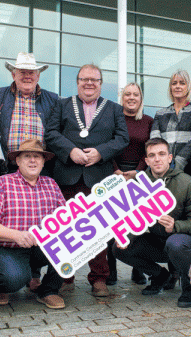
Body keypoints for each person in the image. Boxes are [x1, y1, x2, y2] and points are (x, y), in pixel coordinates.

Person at [44, 64, 129, 297]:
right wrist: (70, 151)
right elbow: (50, 133)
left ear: (101, 83)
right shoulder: (61, 105)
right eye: (84, 79)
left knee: (98, 230)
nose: (89, 83)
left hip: (99, 178)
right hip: (67, 176)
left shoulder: (114, 108)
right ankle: (64, 277)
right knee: (65, 229)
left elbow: (122, 138)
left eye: (94, 79)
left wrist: (101, 152)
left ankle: (99, 278)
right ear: (77, 81)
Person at [112, 138, 191, 308]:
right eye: (152, 155)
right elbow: (133, 218)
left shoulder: (188, 183)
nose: (157, 159)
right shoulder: (137, 184)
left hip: (188, 243)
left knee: (176, 243)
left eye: (162, 154)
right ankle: (160, 276)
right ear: (146, 161)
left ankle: (190, 287)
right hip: (159, 242)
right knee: (118, 247)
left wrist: (176, 225)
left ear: (170, 158)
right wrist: (127, 235)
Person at [0, 139, 66, 309]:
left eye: (37, 157)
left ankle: (49, 291)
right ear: (17, 161)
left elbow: (67, 218)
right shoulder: (2, 183)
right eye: (27, 156)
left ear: (43, 162)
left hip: (40, 248)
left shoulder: (52, 184)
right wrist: (17, 235)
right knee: (15, 278)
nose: (32, 160)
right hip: (6, 248)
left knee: (71, 246)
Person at [109, 82, 153, 286]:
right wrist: (116, 170)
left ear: (141, 98)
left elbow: (150, 149)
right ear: (122, 98)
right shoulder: (112, 120)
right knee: (111, 224)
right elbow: (106, 146)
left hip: (140, 174)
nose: (131, 97)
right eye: (127, 94)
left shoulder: (148, 121)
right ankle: (110, 271)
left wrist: (138, 171)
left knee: (138, 223)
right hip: (114, 173)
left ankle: (139, 269)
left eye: (136, 94)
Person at [0, 52, 59, 176]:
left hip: (41, 171)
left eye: (31, 73)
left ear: (38, 76)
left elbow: (57, 132)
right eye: (22, 72)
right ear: (13, 75)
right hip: (7, 169)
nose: (27, 76)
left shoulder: (52, 99)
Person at [150, 69, 191, 179]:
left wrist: (176, 164)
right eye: (174, 83)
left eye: (182, 83)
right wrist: (165, 162)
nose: (177, 86)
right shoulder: (160, 114)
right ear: (170, 88)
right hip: (163, 170)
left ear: (188, 87)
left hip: (189, 171)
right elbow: (155, 140)